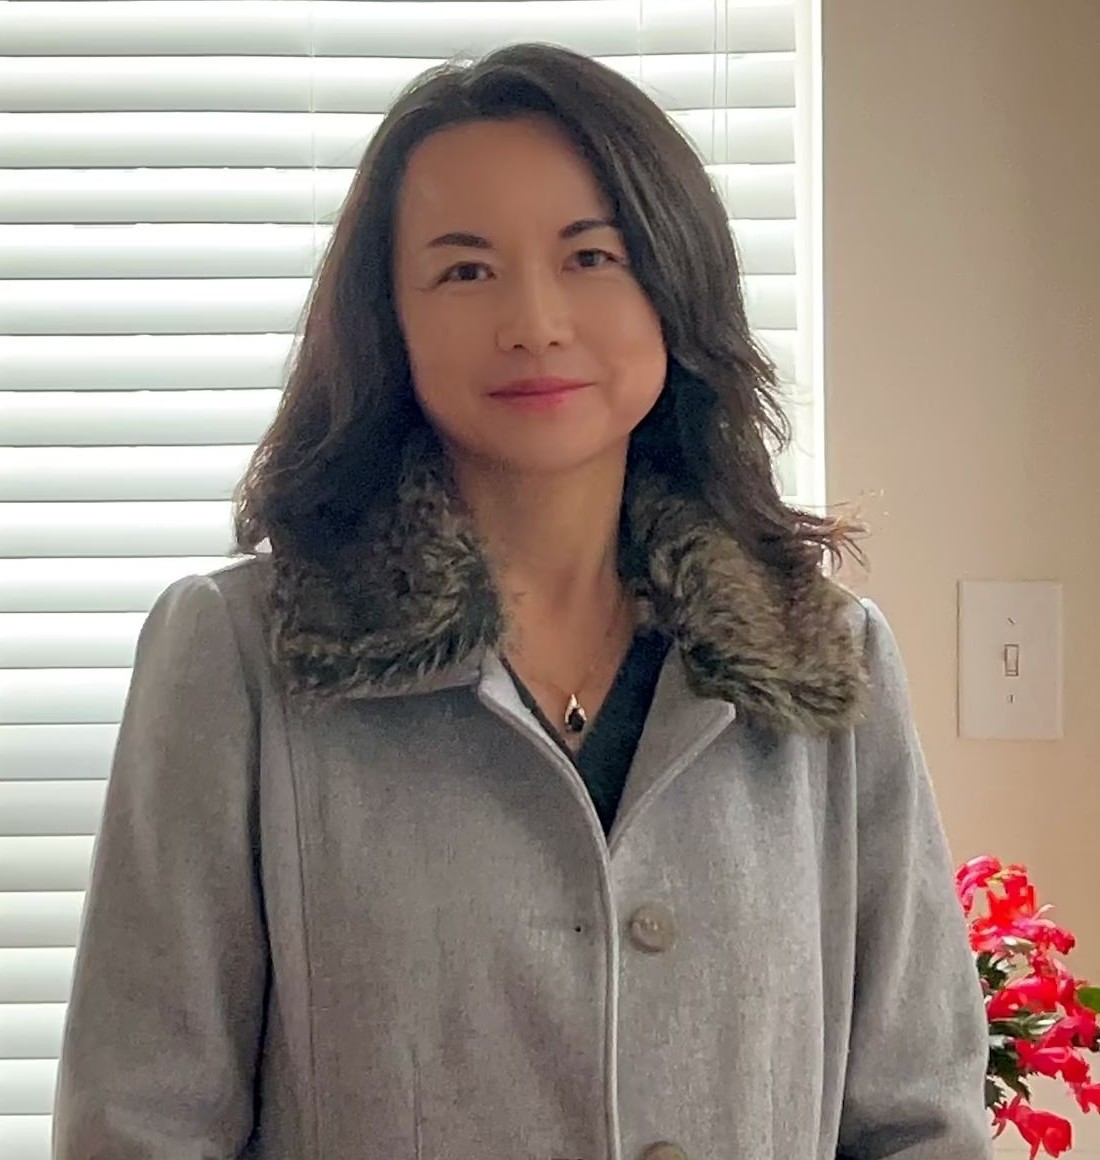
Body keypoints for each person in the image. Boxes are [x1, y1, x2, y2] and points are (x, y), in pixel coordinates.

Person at [53, 42, 992, 1160]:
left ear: (670, 284)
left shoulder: (824, 655)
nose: (534, 320)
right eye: (464, 270)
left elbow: (916, 1114)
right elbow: (140, 1121)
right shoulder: (238, 655)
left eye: (590, 255)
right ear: (386, 320)